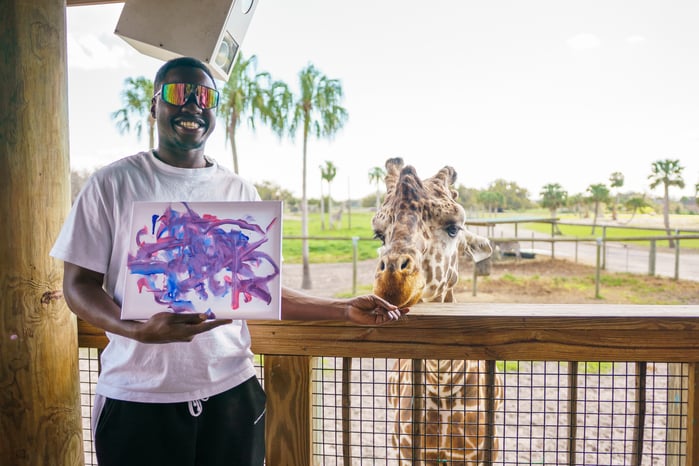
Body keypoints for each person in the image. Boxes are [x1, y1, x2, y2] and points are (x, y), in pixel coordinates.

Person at [51, 56, 407, 466]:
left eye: (204, 95)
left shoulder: (238, 190)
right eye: (177, 93)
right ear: (154, 107)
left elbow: (259, 293)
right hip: (138, 397)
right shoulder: (112, 184)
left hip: (233, 393)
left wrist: (343, 308)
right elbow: (77, 284)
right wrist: (134, 330)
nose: (192, 105)